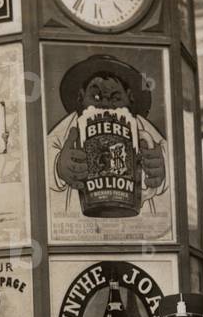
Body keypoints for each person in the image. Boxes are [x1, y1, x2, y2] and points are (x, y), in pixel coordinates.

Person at [47, 54, 167, 216]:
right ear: (80, 98)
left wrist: (160, 165)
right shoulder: (70, 126)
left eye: (115, 98)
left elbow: (169, 155)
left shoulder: (139, 127)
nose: (104, 104)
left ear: (130, 99)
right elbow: (43, 155)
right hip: (81, 222)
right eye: (95, 97)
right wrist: (58, 167)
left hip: (134, 221)